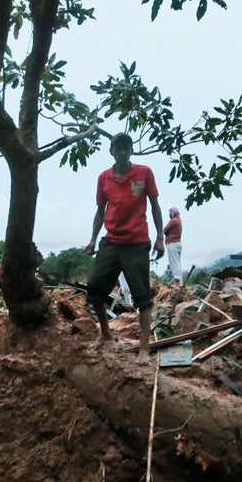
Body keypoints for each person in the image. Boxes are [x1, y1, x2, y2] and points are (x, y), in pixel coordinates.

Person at [84, 132, 164, 360]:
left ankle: (144, 348)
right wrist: (92, 239)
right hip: (111, 241)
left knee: (142, 297)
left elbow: (155, 206)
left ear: (131, 150)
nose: (122, 151)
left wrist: (160, 238)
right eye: (118, 147)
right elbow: (100, 210)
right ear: (111, 151)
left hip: (137, 242)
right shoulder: (104, 178)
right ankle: (106, 334)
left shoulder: (144, 173)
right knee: (94, 288)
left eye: (126, 147)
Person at [164, 206, 183, 286]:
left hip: (172, 243)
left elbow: (164, 230)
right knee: (178, 263)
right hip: (178, 243)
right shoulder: (179, 221)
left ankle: (177, 283)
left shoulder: (173, 220)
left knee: (174, 264)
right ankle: (180, 283)